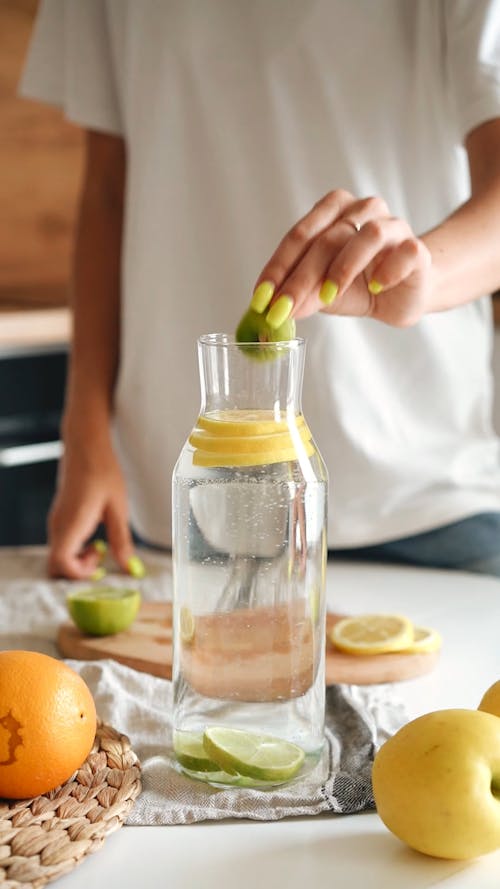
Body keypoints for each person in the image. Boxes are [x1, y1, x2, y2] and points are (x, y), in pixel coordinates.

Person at [20, 0, 500, 579]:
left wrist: (423, 276)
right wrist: (86, 433)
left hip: (421, 495)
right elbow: (106, 191)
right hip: (190, 499)